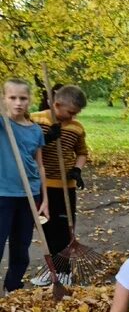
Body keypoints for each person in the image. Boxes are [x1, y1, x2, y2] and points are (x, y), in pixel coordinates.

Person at [30, 85, 88, 287]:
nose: (73, 116)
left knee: (64, 230)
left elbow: (82, 152)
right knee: (47, 228)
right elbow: (26, 148)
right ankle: (51, 270)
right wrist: (44, 139)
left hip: (66, 186)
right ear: (56, 104)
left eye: (76, 113)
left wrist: (77, 170)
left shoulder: (76, 127)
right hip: (42, 186)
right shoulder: (35, 120)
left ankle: (63, 272)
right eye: (70, 112)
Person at [0, 78, 49, 293]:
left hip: (30, 194)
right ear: (4, 99)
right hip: (3, 194)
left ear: (30, 101)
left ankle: (13, 287)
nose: (18, 103)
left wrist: (45, 199)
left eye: (23, 98)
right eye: (12, 98)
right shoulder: (2, 124)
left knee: (21, 247)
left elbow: (40, 166)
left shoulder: (35, 130)